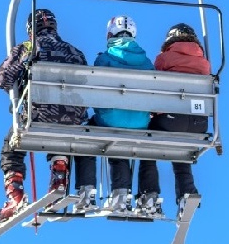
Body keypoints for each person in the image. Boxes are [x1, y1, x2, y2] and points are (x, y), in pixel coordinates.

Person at [0, 8, 93, 224]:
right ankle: (59, 178)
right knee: (61, 131)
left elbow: (2, 79)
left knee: (10, 148)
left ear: (31, 29)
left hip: (39, 115)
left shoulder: (29, 48)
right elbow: (86, 85)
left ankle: (15, 196)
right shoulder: (75, 53)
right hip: (72, 119)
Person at [73, 15, 155, 214]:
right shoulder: (146, 62)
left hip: (111, 120)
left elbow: (94, 91)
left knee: (88, 135)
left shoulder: (105, 58)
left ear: (110, 34)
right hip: (141, 122)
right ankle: (124, 195)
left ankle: (87, 191)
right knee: (125, 139)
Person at [136, 23, 211, 218]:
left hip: (170, 119)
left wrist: (153, 112)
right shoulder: (205, 63)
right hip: (199, 123)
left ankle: (149, 194)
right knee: (181, 151)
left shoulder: (164, 59)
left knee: (146, 145)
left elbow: (156, 86)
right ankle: (187, 192)